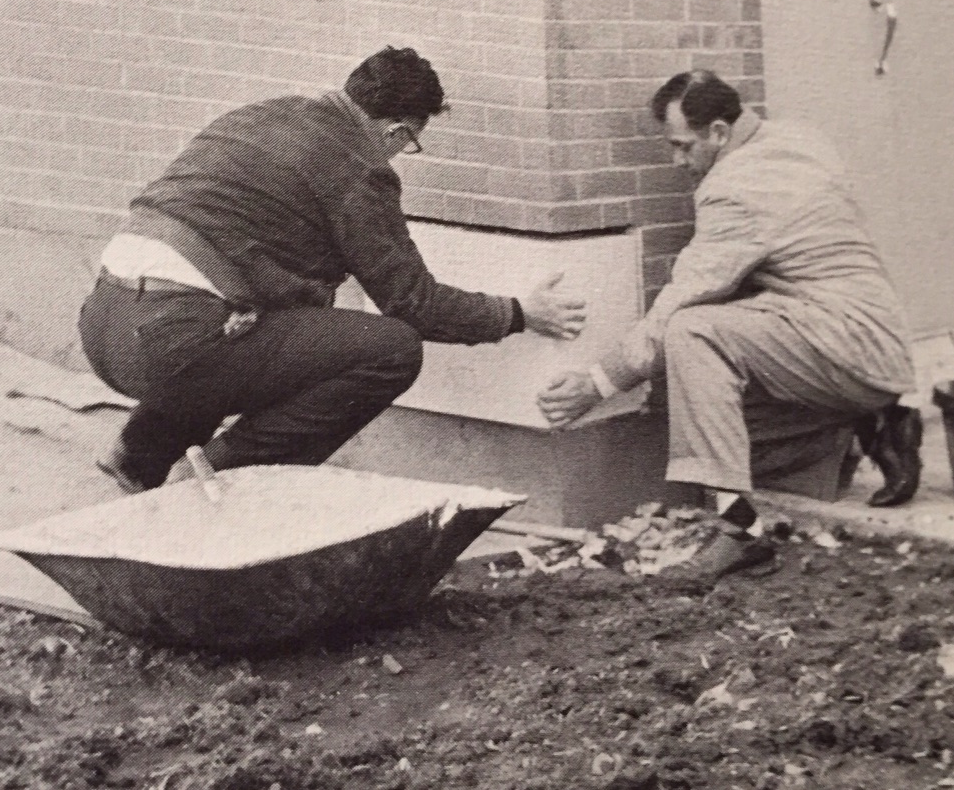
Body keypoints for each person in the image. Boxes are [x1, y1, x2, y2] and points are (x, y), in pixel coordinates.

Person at [80, 45, 587, 493]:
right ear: (396, 131)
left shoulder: (262, 115)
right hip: (168, 343)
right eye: (409, 144)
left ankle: (139, 457)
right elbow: (417, 305)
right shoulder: (357, 167)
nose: (400, 155)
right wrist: (519, 314)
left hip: (105, 322)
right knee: (391, 350)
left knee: (258, 329)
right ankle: (220, 478)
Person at [537, 70, 921, 583]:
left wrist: (598, 382)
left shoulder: (734, 187)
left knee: (691, 333)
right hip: (871, 338)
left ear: (719, 132)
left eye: (682, 146)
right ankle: (864, 424)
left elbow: (682, 300)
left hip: (843, 342)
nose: (678, 162)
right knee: (705, 422)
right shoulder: (798, 140)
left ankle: (740, 532)